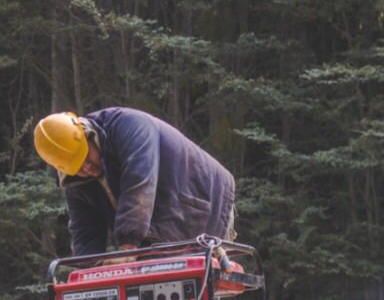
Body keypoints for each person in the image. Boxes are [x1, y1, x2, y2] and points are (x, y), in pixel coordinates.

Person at [33, 107, 235, 256]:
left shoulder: (130, 126)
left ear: (88, 136)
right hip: (154, 235)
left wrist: (127, 249)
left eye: (86, 157)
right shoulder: (76, 181)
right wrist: (86, 270)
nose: (86, 168)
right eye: (77, 167)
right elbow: (84, 231)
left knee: (194, 295)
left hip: (207, 207)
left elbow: (139, 185)